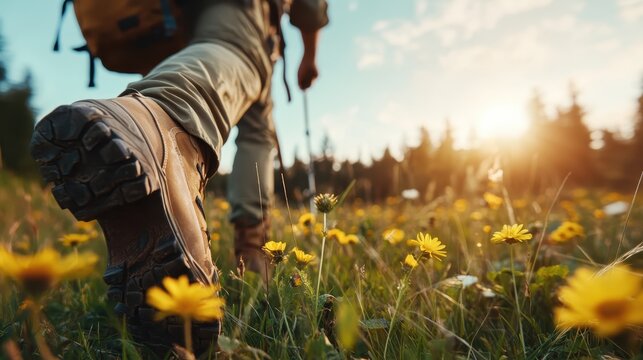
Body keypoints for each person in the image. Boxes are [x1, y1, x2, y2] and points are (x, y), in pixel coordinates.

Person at [29, 0, 328, 354]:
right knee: (237, 53)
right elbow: (310, 6)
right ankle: (163, 124)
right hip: (242, 13)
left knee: (258, 130)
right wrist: (310, 55)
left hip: (196, 22)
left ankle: (253, 252)